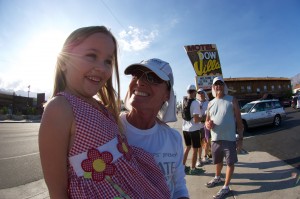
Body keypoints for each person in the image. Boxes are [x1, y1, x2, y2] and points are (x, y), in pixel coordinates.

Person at [38, 26, 170, 198]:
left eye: (108, 61)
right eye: (91, 56)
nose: (101, 67)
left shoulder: (103, 107)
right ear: (64, 61)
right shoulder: (60, 108)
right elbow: (58, 192)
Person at [121, 58, 189, 199]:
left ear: (167, 94)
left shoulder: (173, 138)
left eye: (152, 78)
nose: (139, 82)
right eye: (136, 76)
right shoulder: (110, 128)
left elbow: (179, 186)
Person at [205, 76, 244, 199]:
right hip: (215, 138)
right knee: (218, 161)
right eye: (216, 84)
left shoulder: (232, 100)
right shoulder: (210, 103)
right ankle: (217, 177)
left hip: (229, 139)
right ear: (213, 87)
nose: (218, 86)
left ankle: (226, 187)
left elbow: (239, 121)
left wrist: (241, 139)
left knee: (230, 163)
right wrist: (208, 124)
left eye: (220, 84)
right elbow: (206, 121)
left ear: (224, 86)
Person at [182, 84, 203, 175]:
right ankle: (193, 169)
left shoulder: (184, 101)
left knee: (187, 148)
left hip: (185, 129)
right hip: (193, 129)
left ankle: (182, 167)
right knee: (195, 149)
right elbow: (196, 119)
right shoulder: (195, 103)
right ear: (194, 92)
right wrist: (204, 117)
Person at [196, 88, 210, 166]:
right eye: (199, 93)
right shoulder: (196, 103)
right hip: (198, 126)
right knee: (199, 143)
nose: (201, 94)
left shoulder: (208, 102)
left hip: (206, 125)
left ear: (204, 94)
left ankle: (205, 156)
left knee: (207, 141)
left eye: (202, 93)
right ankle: (199, 159)